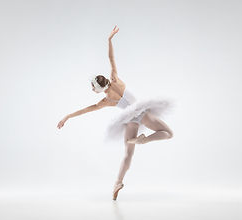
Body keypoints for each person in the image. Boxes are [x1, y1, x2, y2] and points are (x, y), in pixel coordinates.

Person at [57, 26, 174, 201]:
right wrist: (109, 40)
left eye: (92, 87)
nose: (92, 89)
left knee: (128, 154)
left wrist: (67, 116)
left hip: (132, 120)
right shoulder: (116, 80)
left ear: (99, 89)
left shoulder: (105, 102)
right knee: (168, 134)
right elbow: (111, 58)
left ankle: (118, 182)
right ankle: (144, 140)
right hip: (142, 113)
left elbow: (85, 110)